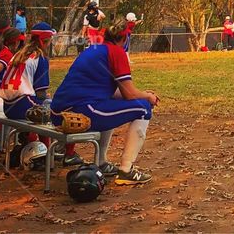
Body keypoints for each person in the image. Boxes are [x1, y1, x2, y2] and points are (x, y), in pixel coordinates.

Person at [51, 19, 160, 185]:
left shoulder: (94, 49)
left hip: (59, 111)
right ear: (124, 39)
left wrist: (143, 94)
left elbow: (117, 93)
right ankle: (126, 170)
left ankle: (101, 162)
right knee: (144, 108)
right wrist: (147, 97)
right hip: (81, 109)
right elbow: (130, 94)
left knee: (109, 103)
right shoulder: (116, 52)